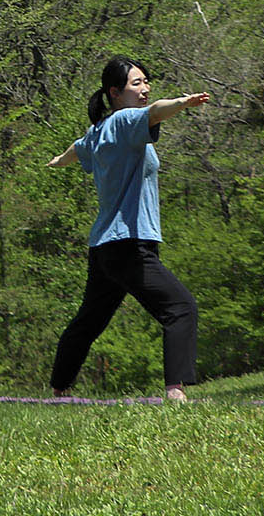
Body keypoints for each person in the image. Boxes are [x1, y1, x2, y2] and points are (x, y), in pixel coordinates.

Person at [42, 58, 212, 403]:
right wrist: (182, 102)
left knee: (89, 321)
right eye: (136, 84)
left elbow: (78, 147)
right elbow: (155, 112)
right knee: (181, 308)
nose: (145, 89)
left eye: (146, 82)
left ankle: (60, 388)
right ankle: (175, 392)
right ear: (115, 93)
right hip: (129, 244)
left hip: (104, 247)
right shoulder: (124, 120)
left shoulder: (99, 130)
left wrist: (60, 159)